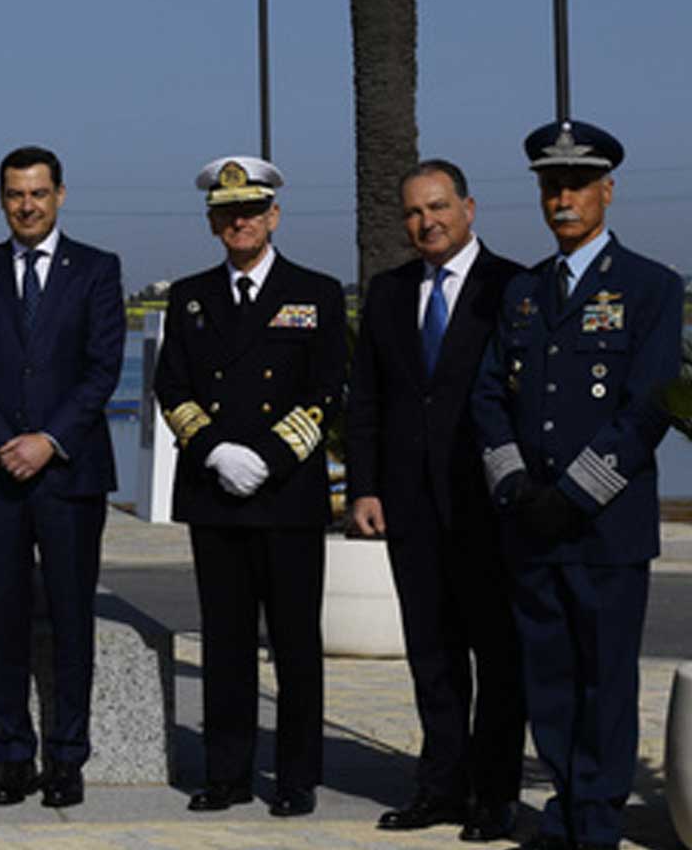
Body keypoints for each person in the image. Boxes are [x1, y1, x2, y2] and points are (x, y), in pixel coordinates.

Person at [470, 120, 683, 850]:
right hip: (532, 524)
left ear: (607, 191)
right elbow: (489, 396)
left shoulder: (651, 287)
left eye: (578, 185)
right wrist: (515, 487)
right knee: (549, 679)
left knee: (605, 680)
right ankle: (562, 811)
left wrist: (576, 494)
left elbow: (648, 404)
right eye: (551, 187)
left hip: (605, 529)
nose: (564, 199)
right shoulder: (523, 291)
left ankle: (596, 819)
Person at [154, 156, 347, 819]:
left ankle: (296, 776)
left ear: (274, 216)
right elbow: (171, 386)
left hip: (286, 494)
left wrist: (267, 457)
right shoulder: (190, 296)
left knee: (295, 645)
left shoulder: (316, 292)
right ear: (213, 223)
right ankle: (228, 773)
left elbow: (328, 388)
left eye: (251, 211)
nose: (240, 222)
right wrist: (215, 451)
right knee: (225, 642)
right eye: (227, 213)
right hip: (216, 493)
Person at [345, 159, 525, 841]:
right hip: (409, 505)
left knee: (498, 655)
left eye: (439, 207)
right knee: (432, 653)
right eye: (415, 212)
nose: (427, 222)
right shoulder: (389, 292)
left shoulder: (512, 286)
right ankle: (441, 786)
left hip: (488, 503)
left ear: (468, 209)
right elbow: (366, 398)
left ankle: (494, 794)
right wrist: (364, 486)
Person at [0, 145, 125, 808]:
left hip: (69, 475)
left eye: (38, 193)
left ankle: (68, 759)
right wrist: (6, 443)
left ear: (60, 195)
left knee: (73, 619)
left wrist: (47, 441)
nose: (27, 206)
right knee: (5, 619)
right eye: (16, 195)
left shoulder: (97, 270)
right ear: (2, 199)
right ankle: (14, 757)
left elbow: (103, 369)